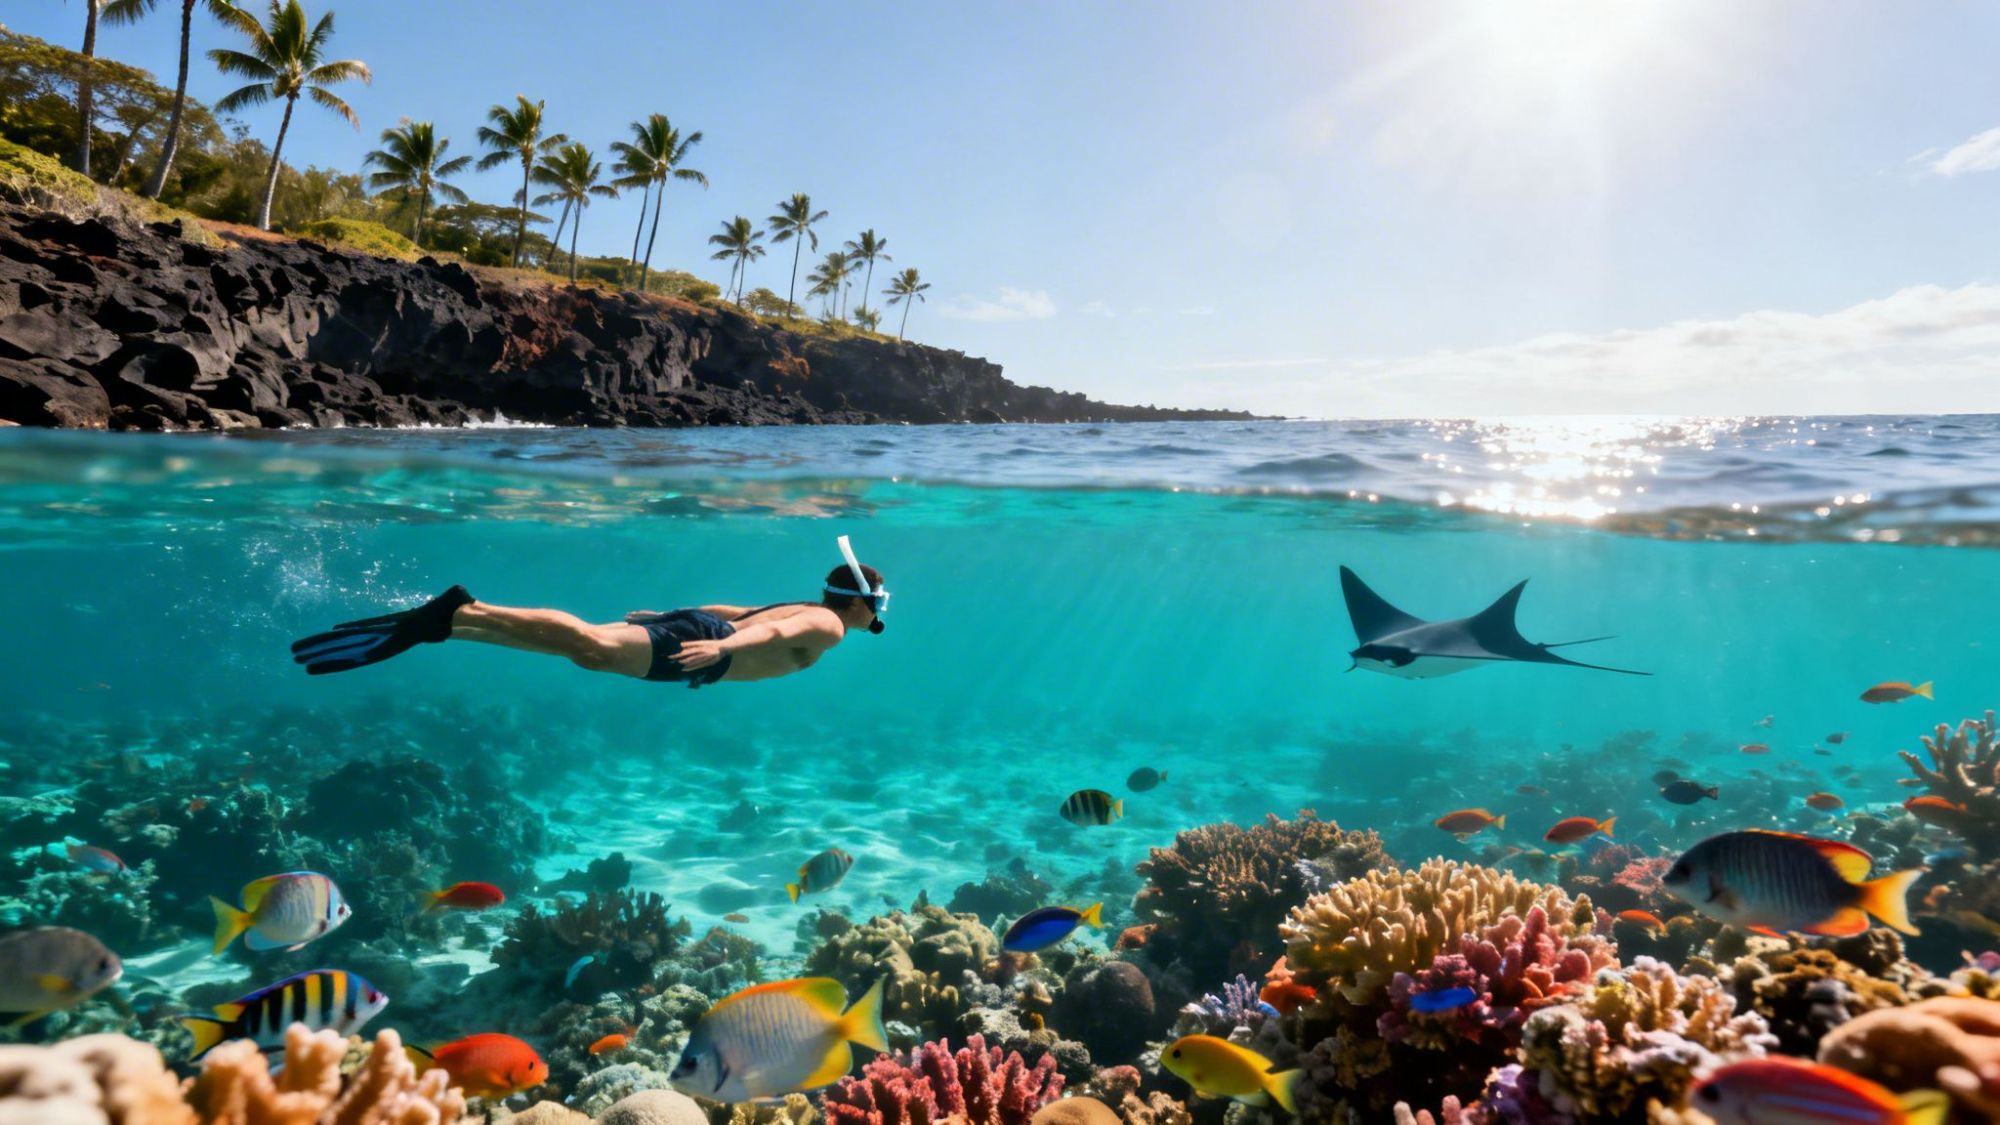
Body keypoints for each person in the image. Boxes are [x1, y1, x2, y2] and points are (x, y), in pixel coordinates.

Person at [289, 537, 888, 687]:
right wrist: (722, 649)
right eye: (877, 604)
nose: (875, 614)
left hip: (698, 633)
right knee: (591, 648)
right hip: (702, 648)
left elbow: (738, 609)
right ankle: (467, 608)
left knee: (585, 654)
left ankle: (453, 624)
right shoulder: (829, 623)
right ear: (860, 602)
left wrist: (669, 613)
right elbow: (779, 629)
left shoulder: (808, 602)